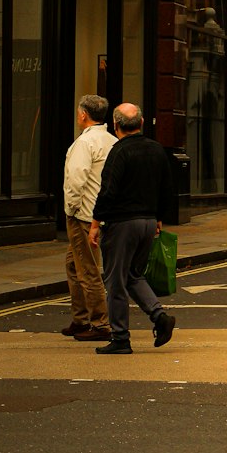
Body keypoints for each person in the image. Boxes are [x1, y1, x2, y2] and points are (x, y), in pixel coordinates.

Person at [89, 102, 176, 355]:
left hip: (122, 224)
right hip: (148, 222)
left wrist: (95, 223)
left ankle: (120, 338)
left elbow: (108, 191)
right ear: (141, 123)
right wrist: (158, 217)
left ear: (116, 126)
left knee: (115, 281)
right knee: (133, 275)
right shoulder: (157, 150)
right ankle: (159, 317)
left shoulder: (119, 152)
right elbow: (166, 188)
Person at [61, 93, 116, 341]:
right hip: (101, 213)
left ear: (83, 115)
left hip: (83, 215)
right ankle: (80, 318)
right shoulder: (112, 140)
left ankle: (99, 323)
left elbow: (76, 179)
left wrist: (71, 210)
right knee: (74, 265)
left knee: (88, 270)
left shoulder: (85, 143)